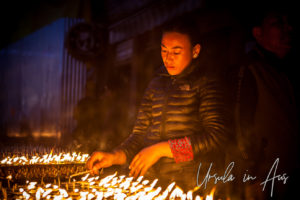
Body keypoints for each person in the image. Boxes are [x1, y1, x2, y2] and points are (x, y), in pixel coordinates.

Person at [86, 19, 229, 195]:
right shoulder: (156, 84)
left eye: (176, 52)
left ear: (195, 51)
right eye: (164, 50)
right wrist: (115, 156)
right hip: (155, 185)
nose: (168, 58)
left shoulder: (206, 82)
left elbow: (215, 138)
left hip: (193, 186)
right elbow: (139, 135)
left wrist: (161, 149)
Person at [232, 9, 299, 200]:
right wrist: (252, 177)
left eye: (287, 23)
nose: (288, 29)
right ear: (258, 33)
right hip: (267, 179)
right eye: (277, 24)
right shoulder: (251, 70)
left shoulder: (284, 70)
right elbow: (240, 125)